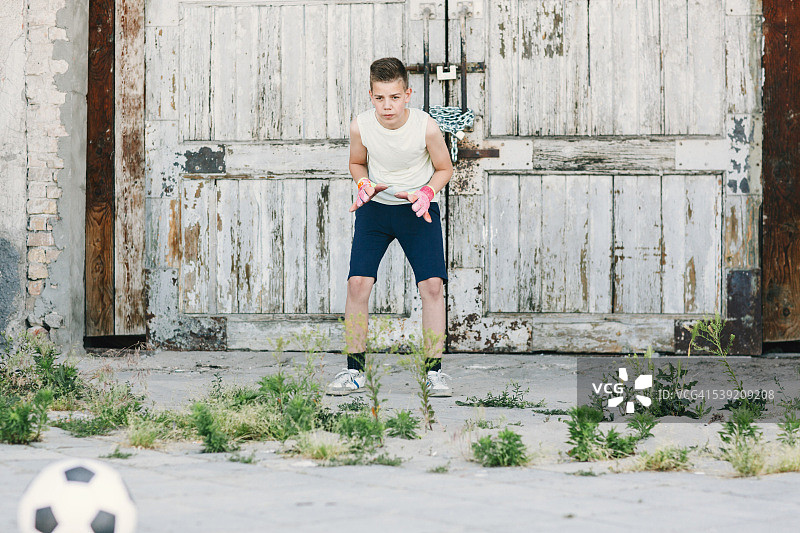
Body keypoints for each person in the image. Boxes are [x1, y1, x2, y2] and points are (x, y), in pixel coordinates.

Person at [326, 57, 454, 397]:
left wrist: (427, 192)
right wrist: (364, 183)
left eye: (395, 97)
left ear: (407, 94)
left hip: (417, 210)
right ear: (371, 95)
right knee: (357, 285)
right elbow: (356, 162)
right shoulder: (361, 125)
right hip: (376, 210)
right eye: (380, 98)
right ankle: (355, 371)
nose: (387, 106)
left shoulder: (426, 126)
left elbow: (444, 168)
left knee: (432, 287)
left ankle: (433, 373)